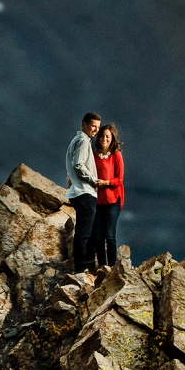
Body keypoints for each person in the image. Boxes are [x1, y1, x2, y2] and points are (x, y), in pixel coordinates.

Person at [65, 113, 107, 272]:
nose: (96, 130)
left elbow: (72, 164)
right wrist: (93, 180)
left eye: (98, 126)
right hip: (85, 192)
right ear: (84, 125)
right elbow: (78, 165)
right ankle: (81, 269)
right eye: (93, 126)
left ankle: (85, 265)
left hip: (78, 192)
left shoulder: (76, 140)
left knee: (86, 232)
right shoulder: (83, 141)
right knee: (84, 234)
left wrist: (71, 177)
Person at [89, 122, 124, 267]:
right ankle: (102, 267)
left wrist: (106, 183)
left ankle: (112, 267)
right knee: (98, 236)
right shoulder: (94, 155)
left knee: (109, 236)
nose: (104, 139)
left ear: (112, 138)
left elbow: (119, 179)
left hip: (112, 200)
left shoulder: (116, 155)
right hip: (97, 201)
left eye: (107, 137)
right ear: (98, 138)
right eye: (102, 136)